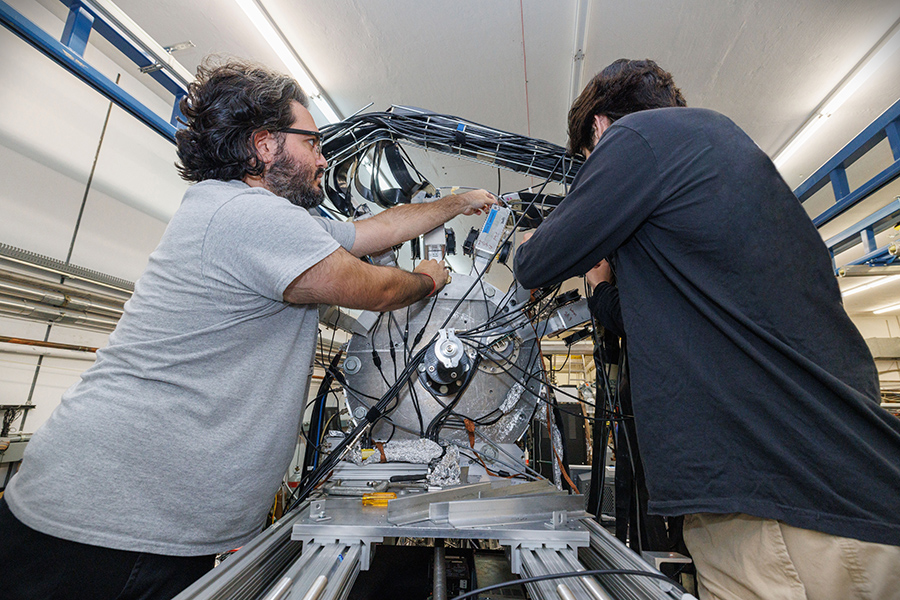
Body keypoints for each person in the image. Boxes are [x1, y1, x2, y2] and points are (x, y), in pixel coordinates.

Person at [0, 58, 496, 599]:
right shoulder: (247, 215)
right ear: (265, 144)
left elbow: (370, 231)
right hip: (113, 522)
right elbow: (372, 288)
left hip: (142, 519)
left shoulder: (262, 215)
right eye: (312, 142)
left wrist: (455, 203)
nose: (322, 158)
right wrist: (426, 279)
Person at [515, 58, 900, 599]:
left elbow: (536, 265)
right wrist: (603, 289)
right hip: (849, 493)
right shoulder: (725, 154)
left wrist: (523, 245)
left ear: (599, 128)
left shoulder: (637, 138)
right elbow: (656, 319)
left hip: (775, 515)